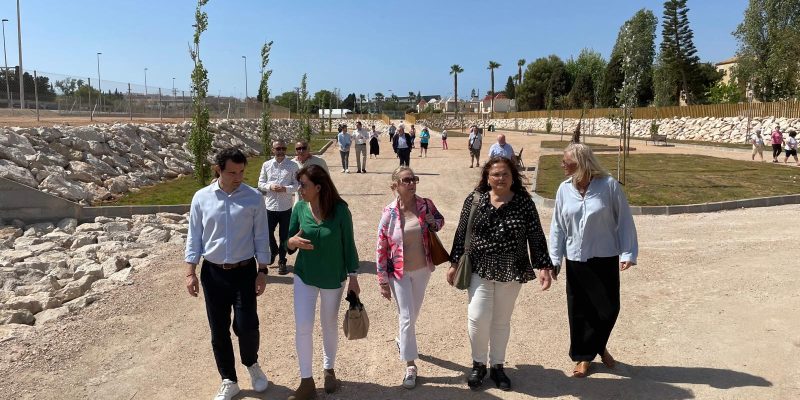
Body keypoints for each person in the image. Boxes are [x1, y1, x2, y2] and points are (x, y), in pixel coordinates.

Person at [447, 156, 553, 392]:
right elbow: (461, 232)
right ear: (487, 177)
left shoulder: (524, 202)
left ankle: (497, 366)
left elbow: (535, 236)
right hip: (479, 268)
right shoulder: (475, 200)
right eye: (495, 174)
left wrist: (544, 266)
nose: (501, 178)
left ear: (513, 176)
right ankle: (478, 364)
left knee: (501, 321)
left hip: (511, 268)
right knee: (477, 317)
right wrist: (454, 263)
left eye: (505, 174)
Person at [184, 147, 271, 400]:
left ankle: (251, 364)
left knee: (246, 325)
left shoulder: (254, 198)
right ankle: (228, 379)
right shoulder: (201, 198)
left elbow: (261, 236)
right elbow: (194, 238)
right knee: (218, 329)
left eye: (242, 171)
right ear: (218, 170)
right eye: (232, 172)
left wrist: (263, 270)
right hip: (213, 274)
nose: (238, 177)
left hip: (244, 272)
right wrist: (190, 272)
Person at [548, 143, 638, 379]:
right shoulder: (563, 189)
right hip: (576, 258)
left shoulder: (609, 186)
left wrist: (628, 252)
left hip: (605, 256)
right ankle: (583, 356)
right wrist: (554, 259)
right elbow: (557, 226)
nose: (562, 165)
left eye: (566, 161)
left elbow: (625, 220)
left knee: (608, 309)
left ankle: (598, 345)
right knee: (580, 311)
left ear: (581, 164)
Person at [285, 165, 360, 400]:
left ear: (318, 187)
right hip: (304, 276)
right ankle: (306, 382)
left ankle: (329, 371)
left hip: (333, 278)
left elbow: (349, 245)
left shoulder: (340, 211)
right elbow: (288, 242)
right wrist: (292, 242)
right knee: (303, 327)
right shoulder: (299, 208)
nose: (300, 189)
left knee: (329, 324)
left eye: (304, 185)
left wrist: (354, 278)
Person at [376, 166, 445, 389]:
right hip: (398, 272)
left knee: (413, 314)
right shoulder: (389, 213)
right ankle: (410, 365)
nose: (412, 183)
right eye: (406, 180)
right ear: (395, 185)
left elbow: (440, 221)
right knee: (406, 316)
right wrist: (382, 281)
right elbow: (381, 246)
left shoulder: (425, 204)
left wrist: (435, 223)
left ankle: (402, 341)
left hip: (422, 269)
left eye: (414, 179)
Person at [258, 139, 299, 275]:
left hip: (285, 207)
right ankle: (273, 249)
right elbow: (260, 183)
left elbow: (297, 185)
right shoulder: (266, 165)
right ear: (273, 150)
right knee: (267, 233)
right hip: (269, 206)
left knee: (284, 236)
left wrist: (285, 189)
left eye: (283, 148)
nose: (281, 151)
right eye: (278, 148)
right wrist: (270, 186)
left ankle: (282, 260)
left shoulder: (293, 166)